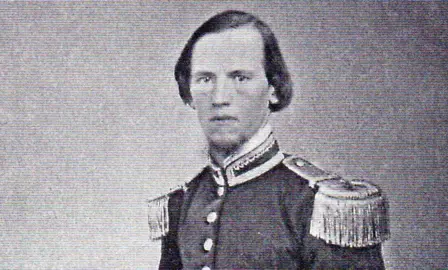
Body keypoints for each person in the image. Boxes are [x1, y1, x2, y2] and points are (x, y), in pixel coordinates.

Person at [148, 10, 389, 270]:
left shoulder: (318, 205)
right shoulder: (183, 203)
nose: (220, 98)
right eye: (205, 79)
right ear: (190, 94)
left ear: (273, 89)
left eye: (240, 77)